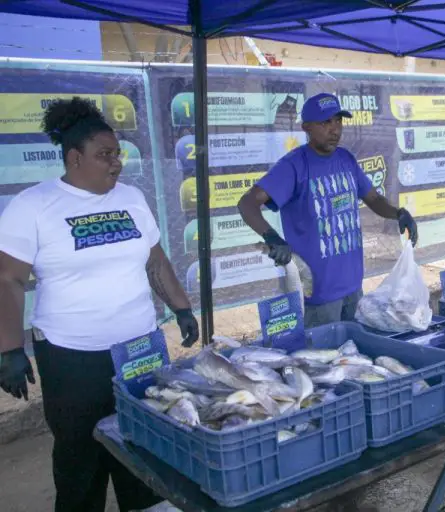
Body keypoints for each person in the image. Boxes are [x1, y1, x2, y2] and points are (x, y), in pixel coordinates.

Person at [0, 98, 199, 512]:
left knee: (145, 443)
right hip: (72, 357)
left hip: (139, 350)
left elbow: (156, 261)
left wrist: (181, 308)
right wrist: (9, 348)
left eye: (117, 154)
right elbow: (9, 279)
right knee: (80, 456)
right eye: (104, 155)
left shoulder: (131, 198)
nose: (116, 163)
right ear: (75, 158)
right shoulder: (33, 205)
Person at [238, 93, 417, 329]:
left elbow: (373, 198)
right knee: (324, 349)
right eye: (325, 122)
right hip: (318, 294)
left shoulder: (346, 160)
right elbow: (247, 203)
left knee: (354, 348)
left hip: (353, 286)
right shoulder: (294, 166)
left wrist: (398, 213)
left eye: (338, 121)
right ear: (306, 128)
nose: (335, 130)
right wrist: (272, 237)